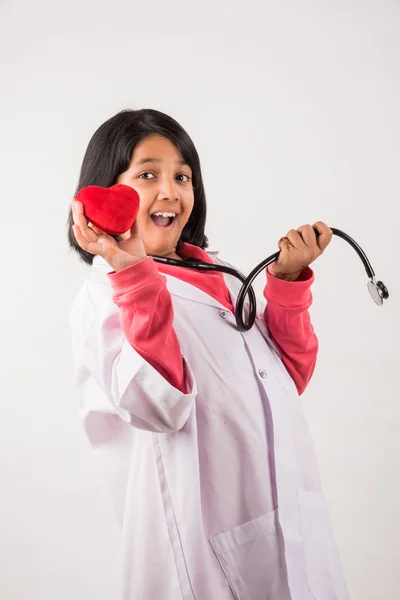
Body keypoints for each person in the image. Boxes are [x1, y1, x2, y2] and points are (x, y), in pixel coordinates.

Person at [68, 108, 349, 600]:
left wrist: (284, 286)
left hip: (282, 514)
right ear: (106, 193)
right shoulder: (105, 295)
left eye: (183, 176)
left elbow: (286, 378)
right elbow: (158, 404)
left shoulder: (218, 273)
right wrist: (133, 275)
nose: (171, 192)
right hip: (200, 537)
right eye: (147, 174)